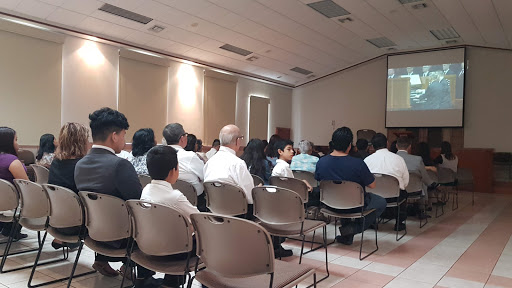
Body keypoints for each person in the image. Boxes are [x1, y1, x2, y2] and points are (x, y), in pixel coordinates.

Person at [74, 108, 156, 285]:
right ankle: (144, 277)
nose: (125, 140)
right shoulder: (120, 165)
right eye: (124, 135)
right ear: (114, 136)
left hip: (93, 232)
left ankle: (114, 263)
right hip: (121, 238)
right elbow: (139, 204)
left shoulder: (80, 164)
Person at [315, 127, 386, 245]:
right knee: (380, 202)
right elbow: (372, 185)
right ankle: (353, 228)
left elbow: (318, 180)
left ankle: (347, 237)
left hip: (329, 205)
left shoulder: (321, 162)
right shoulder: (357, 163)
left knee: (343, 197)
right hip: (354, 206)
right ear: (349, 145)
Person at [141, 145, 200, 287]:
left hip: (147, 245)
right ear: (173, 170)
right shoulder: (175, 197)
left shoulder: (146, 189)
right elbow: (199, 219)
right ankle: (172, 283)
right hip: (174, 252)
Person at [48, 122, 90, 250]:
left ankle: (62, 239)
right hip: (77, 223)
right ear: (82, 141)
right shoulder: (83, 165)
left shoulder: (55, 162)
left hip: (55, 219)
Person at [364, 133, 409, 231]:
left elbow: (363, 181)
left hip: (373, 197)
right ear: (387, 144)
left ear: (372, 146)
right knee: (404, 193)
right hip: (394, 198)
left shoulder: (367, 160)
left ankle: (372, 221)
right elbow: (405, 183)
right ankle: (399, 223)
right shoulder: (399, 159)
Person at [163, 123, 205, 212]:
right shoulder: (190, 156)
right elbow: (205, 176)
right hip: (194, 203)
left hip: (166, 201)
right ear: (182, 138)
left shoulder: (160, 154)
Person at [396, 137, 439, 218]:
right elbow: (425, 177)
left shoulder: (391, 158)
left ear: (396, 146)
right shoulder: (417, 159)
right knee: (422, 183)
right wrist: (431, 184)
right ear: (409, 147)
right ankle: (421, 210)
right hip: (414, 190)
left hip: (395, 190)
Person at [0, 127, 29, 240]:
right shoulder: (12, 161)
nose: (18, 143)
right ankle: (11, 230)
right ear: (8, 142)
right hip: (12, 204)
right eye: (16, 139)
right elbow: (27, 187)